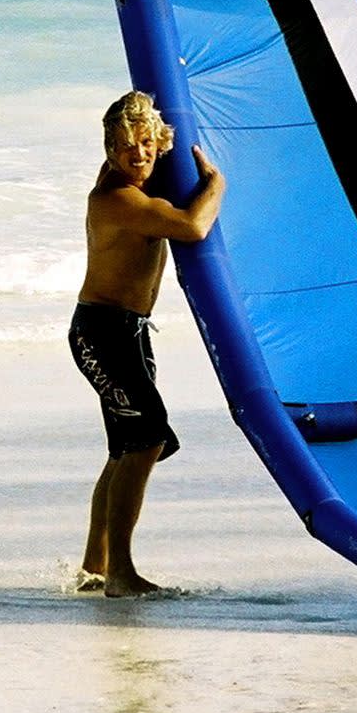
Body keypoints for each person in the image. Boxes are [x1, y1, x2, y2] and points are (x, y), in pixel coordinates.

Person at [69, 90, 224, 597]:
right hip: (103, 331)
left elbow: (154, 147)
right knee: (146, 440)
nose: (138, 156)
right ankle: (121, 574)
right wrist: (216, 182)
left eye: (147, 146)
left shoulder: (135, 182)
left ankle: (97, 566)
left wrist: (163, 134)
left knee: (124, 450)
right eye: (125, 146)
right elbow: (193, 226)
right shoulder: (116, 197)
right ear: (109, 150)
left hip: (126, 332)